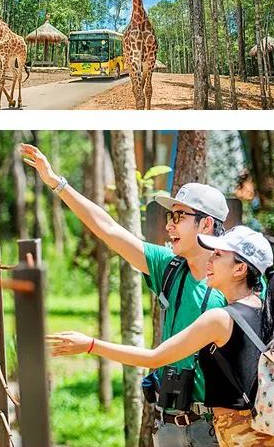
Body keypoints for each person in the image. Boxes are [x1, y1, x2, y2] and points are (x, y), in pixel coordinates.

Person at [21, 143, 228, 445]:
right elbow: (108, 229)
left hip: (217, 427)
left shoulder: (235, 278)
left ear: (206, 223)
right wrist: (57, 182)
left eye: (179, 216)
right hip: (169, 424)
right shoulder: (167, 267)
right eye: (170, 216)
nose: (169, 224)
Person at [48, 226, 274, 447]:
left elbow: (155, 358)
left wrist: (90, 344)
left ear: (240, 268)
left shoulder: (220, 319)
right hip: (272, 433)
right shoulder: (264, 308)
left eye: (218, 255)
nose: (209, 261)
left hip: (243, 437)